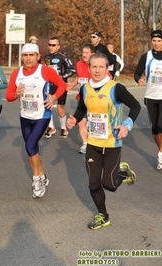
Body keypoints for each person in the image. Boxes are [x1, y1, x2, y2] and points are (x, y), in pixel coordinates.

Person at [67, 53, 141, 230]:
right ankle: (103, 215)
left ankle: (123, 172)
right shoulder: (85, 89)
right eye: (94, 67)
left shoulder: (116, 88)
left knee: (110, 184)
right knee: (93, 183)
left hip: (111, 143)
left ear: (107, 68)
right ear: (89, 68)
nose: (97, 70)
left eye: (101, 67)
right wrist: (74, 120)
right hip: (93, 143)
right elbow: (82, 109)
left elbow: (136, 106)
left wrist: (126, 124)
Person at [6, 43, 67, 198]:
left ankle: (36, 180)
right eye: (25, 55)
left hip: (42, 115)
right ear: (21, 57)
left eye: (31, 55)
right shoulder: (16, 73)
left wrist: (54, 97)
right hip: (25, 116)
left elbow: (62, 85)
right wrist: (16, 94)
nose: (28, 58)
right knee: (31, 149)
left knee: (30, 145)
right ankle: (42, 175)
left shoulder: (45, 71)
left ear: (38, 56)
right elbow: (8, 96)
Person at [134, 29, 162, 170]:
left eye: (159, 41)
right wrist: (139, 80)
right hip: (151, 97)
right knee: (155, 129)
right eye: (154, 41)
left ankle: (161, 155)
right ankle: (161, 151)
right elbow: (137, 73)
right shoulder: (147, 56)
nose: (156, 43)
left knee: (161, 124)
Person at [43, 37, 75, 139]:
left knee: (60, 108)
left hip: (61, 85)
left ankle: (63, 128)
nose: (51, 47)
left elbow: (72, 70)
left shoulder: (63, 57)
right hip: (50, 85)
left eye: (53, 45)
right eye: (50, 45)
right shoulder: (46, 57)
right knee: (47, 106)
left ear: (58, 47)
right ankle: (51, 127)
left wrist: (62, 76)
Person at [66, 44, 95, 154]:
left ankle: (95, 143)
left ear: (92, 54)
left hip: (94, 99)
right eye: (83, 52)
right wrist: (71, 85)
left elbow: (108, 77)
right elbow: (79, 77)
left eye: (87, 53)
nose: (84, 55)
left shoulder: (96, 64)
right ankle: (85, 144)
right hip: (81, 98)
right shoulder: (79, 64)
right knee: (81, 122)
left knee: (93, 122)